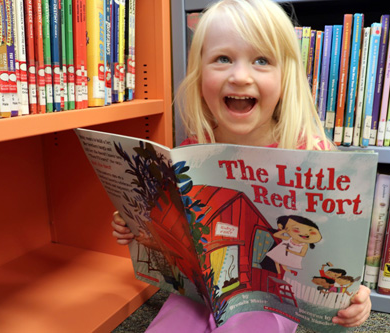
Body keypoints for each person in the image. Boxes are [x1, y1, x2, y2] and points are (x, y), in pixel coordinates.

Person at [111, 0, 372, 331]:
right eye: (222, 59)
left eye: (261, 60)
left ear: (285, 77)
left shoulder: (311, 153)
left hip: (273, 294)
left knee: (247, 324)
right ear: (199, 71)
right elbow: (173, 228)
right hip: (202, 284)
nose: (240, 76)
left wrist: (356, 296)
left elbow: (338, 249)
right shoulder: (193, 151)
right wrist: (133, 222)